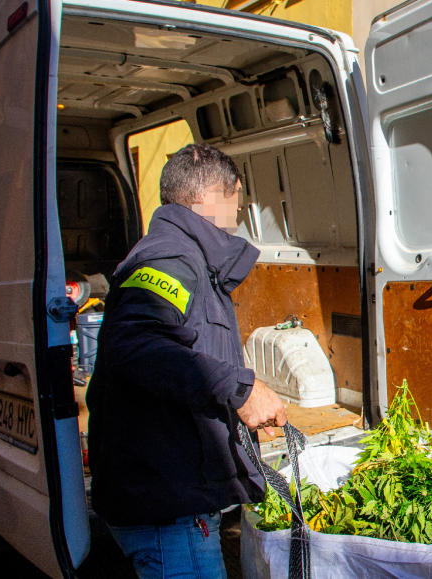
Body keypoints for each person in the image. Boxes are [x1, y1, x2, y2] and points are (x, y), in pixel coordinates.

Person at [87, 144, 287, 579]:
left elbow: (179, 355)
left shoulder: (184, 254)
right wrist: (241, 389)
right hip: (167, 508)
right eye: (236, 197)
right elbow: (135, 344)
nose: (238, 210)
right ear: (212, 195)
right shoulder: (169, 258)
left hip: (171, 496)